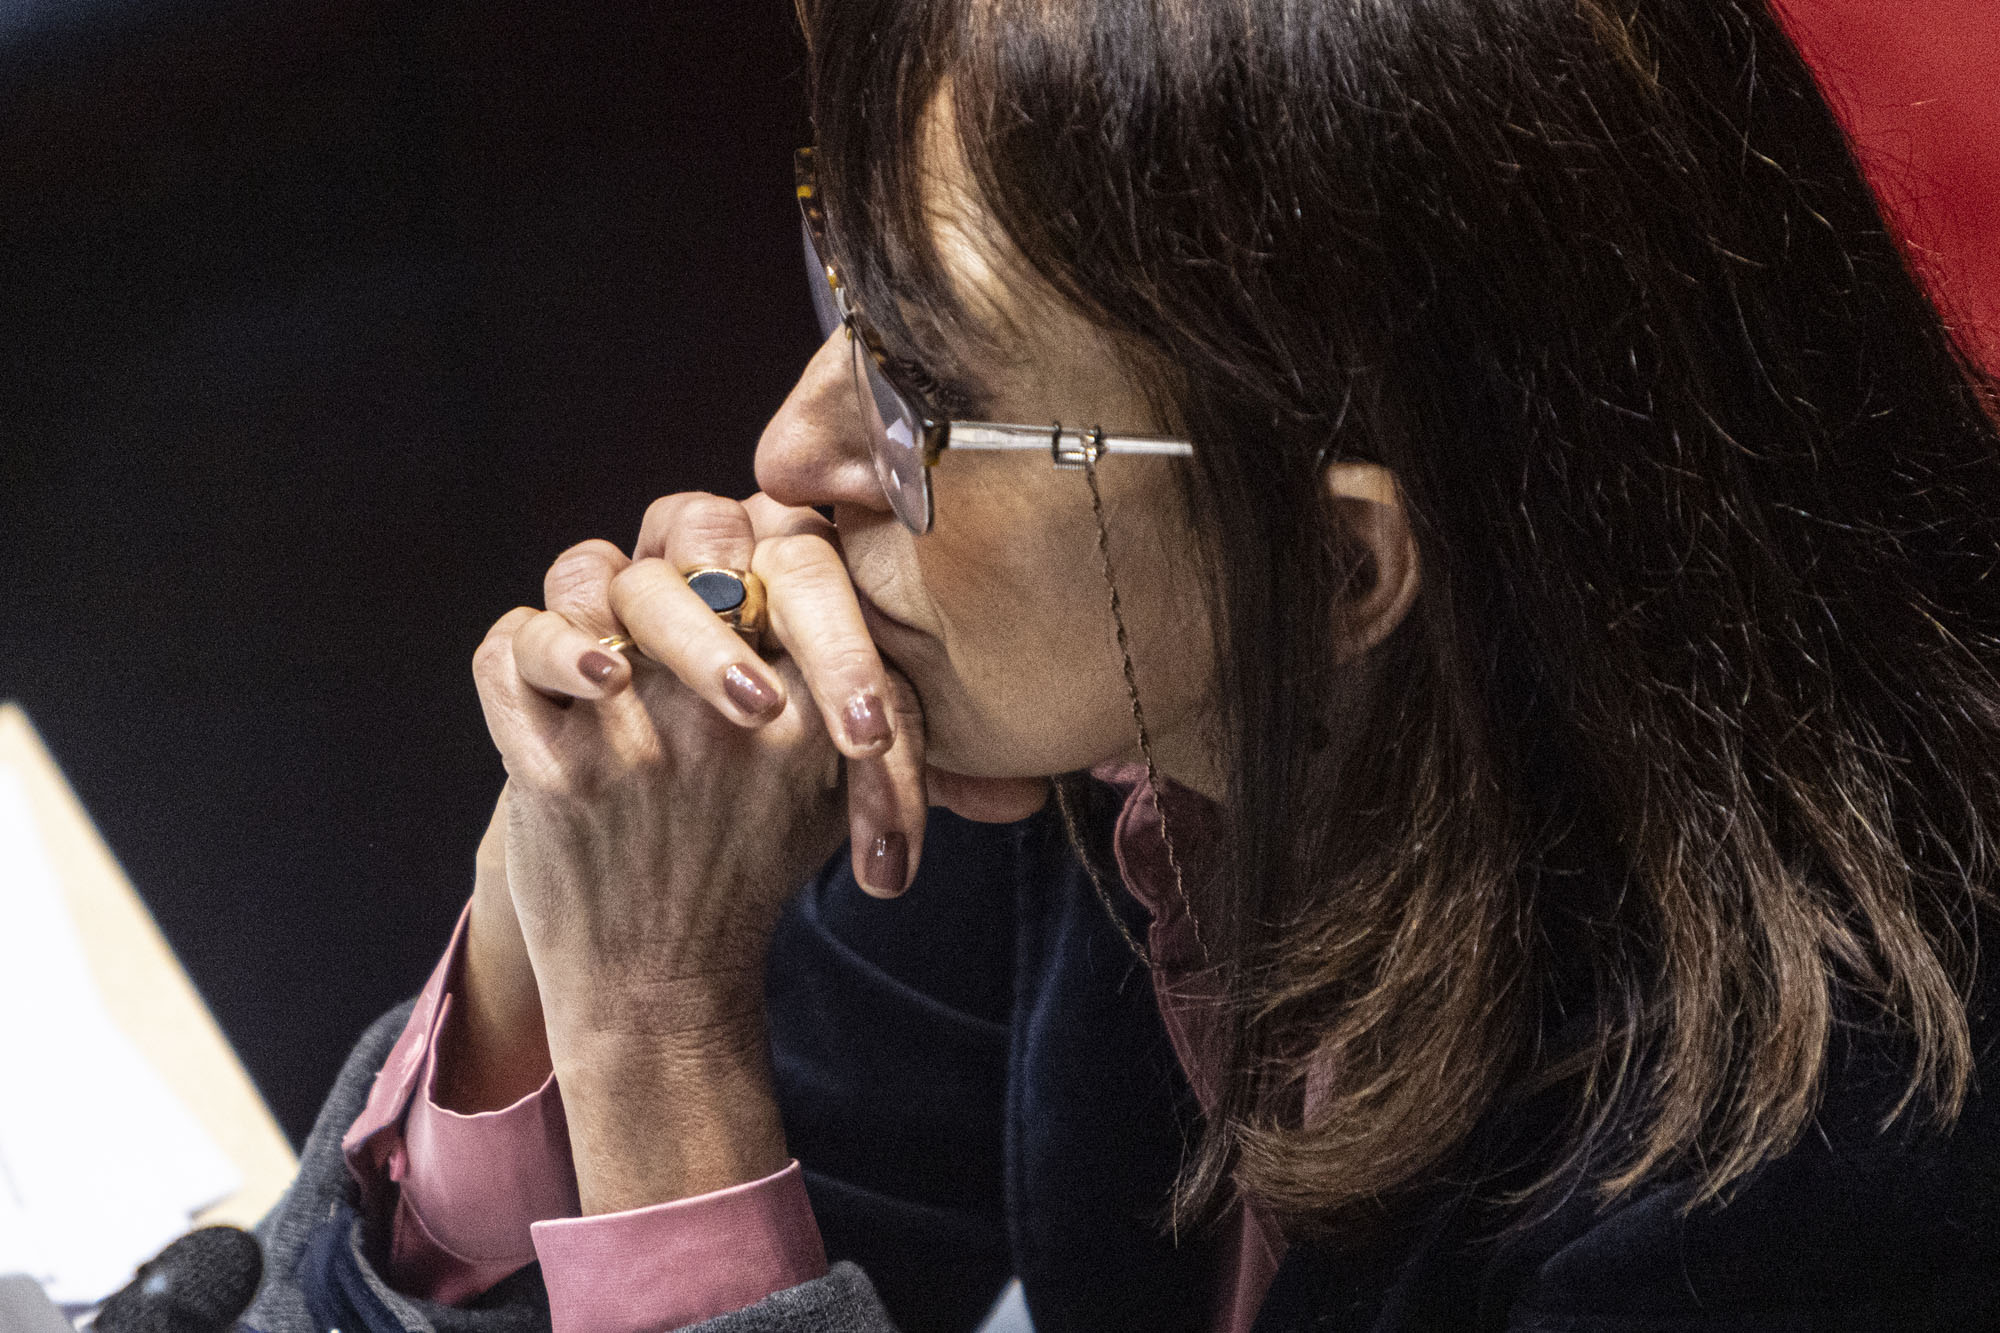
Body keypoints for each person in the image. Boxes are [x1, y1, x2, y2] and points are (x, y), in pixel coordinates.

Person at [248, 0, 2000, 1329]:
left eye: (932, 395)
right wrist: (545, 928)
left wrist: (650, 1034)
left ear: (1334, 564)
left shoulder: (1821, 1185)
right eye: (847, 285)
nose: (791, 453)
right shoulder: (1103, 739)